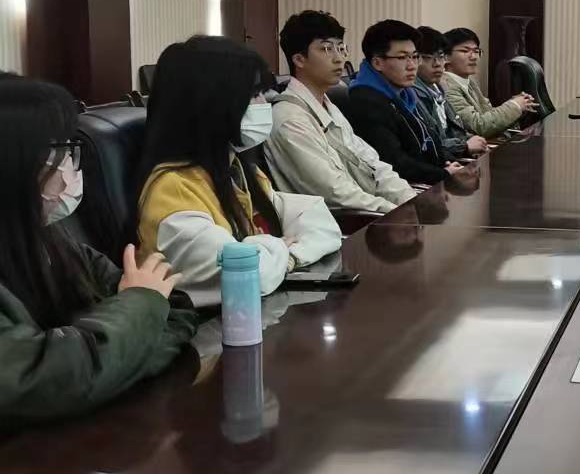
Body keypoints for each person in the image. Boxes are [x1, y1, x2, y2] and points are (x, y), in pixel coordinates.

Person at [0, 74, 198, 425]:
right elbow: (43, 381)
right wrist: (138, 308)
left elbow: (175, 306)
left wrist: (113, 364)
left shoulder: (52, 238)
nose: (70, 166)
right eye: (60, 150)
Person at [135, 36, 341, 306]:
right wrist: (281, 245)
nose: (264, 104)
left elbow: (319, 220)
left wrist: (285, 257)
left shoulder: (237, 170)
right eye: (254, 95)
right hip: (205, 329)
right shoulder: (173, 189)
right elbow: (249, 273)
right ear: (212, 104)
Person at [268, 10, 417, 216]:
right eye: (327, 49)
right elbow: (336, 193)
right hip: (343, 224)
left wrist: (411, 201)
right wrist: (398, 211)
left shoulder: (329, 106)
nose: (339, 58)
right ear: (299, 59)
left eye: (341, 48)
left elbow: (373, 165)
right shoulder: (289, 119)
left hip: (373, 212)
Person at [341, 20, 470, 186]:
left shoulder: (405, 93)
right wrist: (442, 174)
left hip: (428, 178)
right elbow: (395, 163)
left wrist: (447, 163)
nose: (412, 66)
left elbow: (429, 141)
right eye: (402, 57)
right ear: (377, 62)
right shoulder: (367, 102)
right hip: (405, 190)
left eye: (415, 57)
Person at [440, 27, 535, 139]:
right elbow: (478, 126)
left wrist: (521, 105)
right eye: (465, 51)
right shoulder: (446, 86)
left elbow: (488, 115)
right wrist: (515, 105)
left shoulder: (470, 82)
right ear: (446, 57)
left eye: (476, 51)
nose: (473, 57)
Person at [414, 25, 488, 164]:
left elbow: (455, 130)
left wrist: (471, 141)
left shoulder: (438, 88)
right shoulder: (412, 94)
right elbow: (427, 145)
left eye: (440, 57)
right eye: (428, 58)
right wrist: (464, 146)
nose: (437, 64)